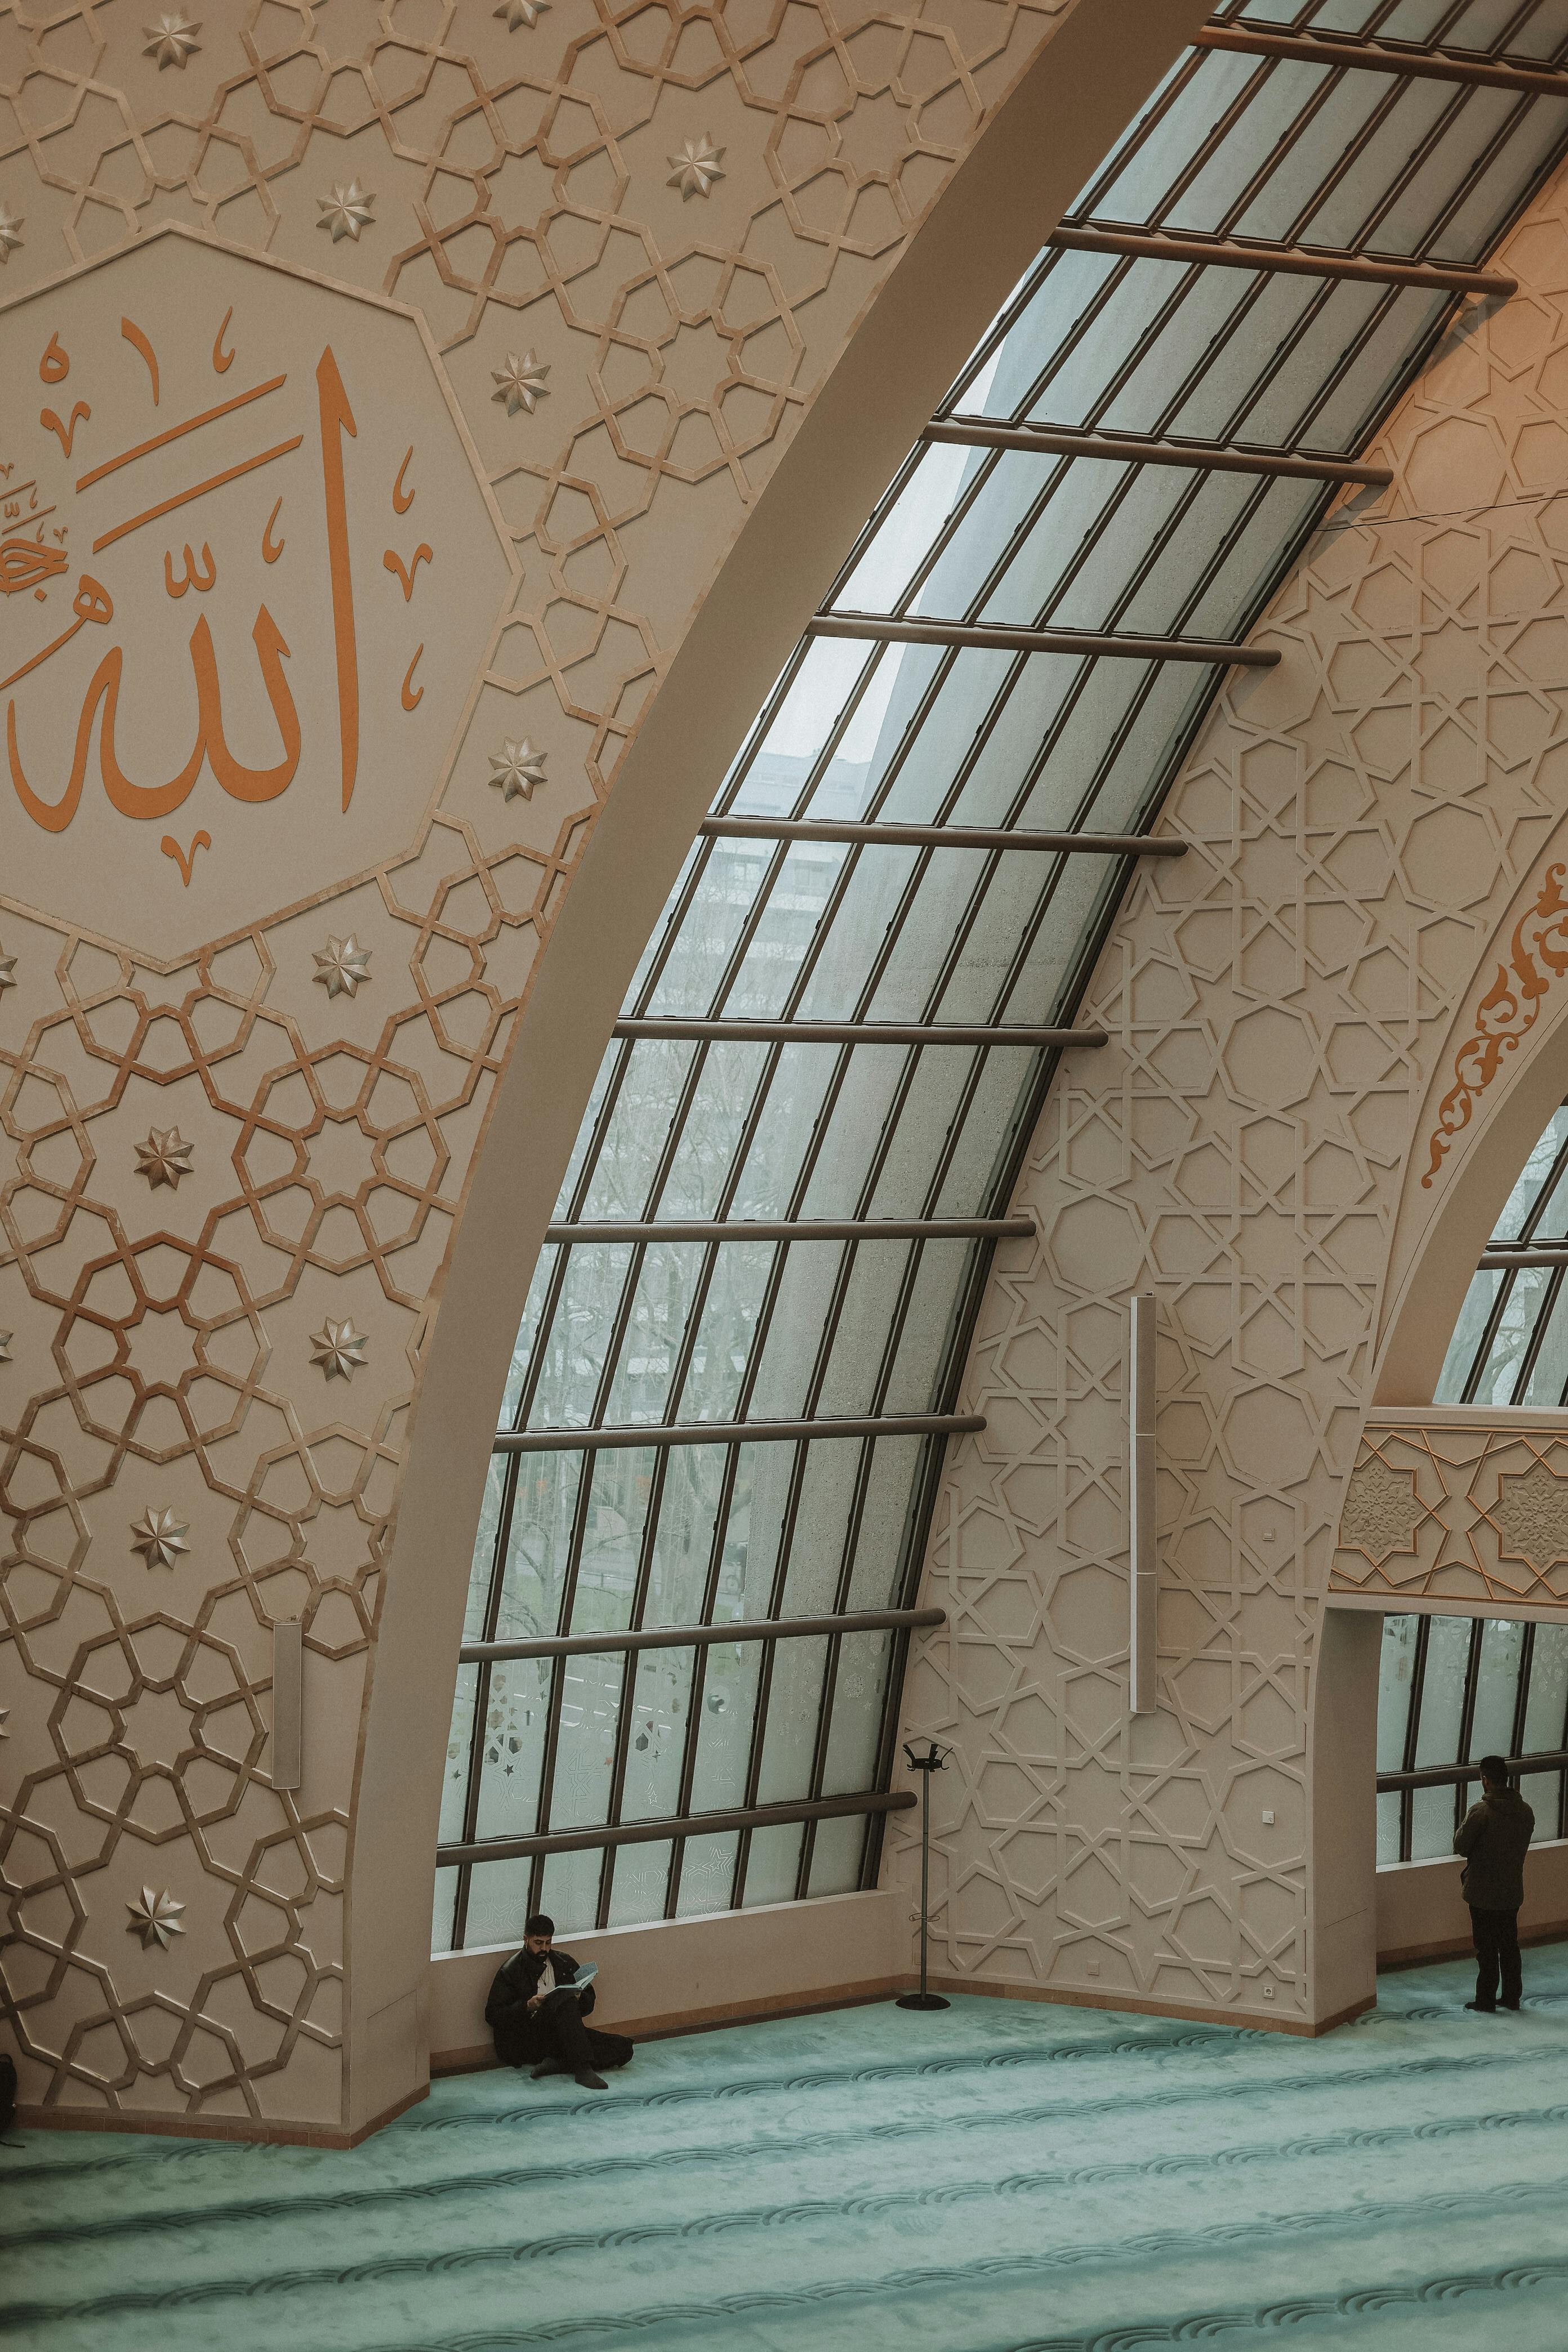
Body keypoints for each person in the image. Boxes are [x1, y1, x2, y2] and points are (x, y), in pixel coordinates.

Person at [485, 1913, 634, 2090]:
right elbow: (492, 2015)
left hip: (565, 2035)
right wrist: (526, 2006)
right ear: (526, 1940)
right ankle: (582, 2069)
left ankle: (558, 2064)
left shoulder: (564, 1962)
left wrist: (580, 1997)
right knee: (566, 2003)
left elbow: (587, 2006)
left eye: (548, 1943)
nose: (544, 1949)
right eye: (538, 1943)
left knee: (624, 2049)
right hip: (530, 2038)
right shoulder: (511, 1971)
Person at [1454, 1756, 1534, 2014]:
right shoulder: (1525, 1811)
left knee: (1486, 1948)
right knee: (1509, 1945)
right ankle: (1512, 1996)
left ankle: (1485, 1999)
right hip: (1511, 1890)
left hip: (1482, 1892)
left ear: (1485, 1780)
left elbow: (1461, 1846)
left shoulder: (1481, 1812)